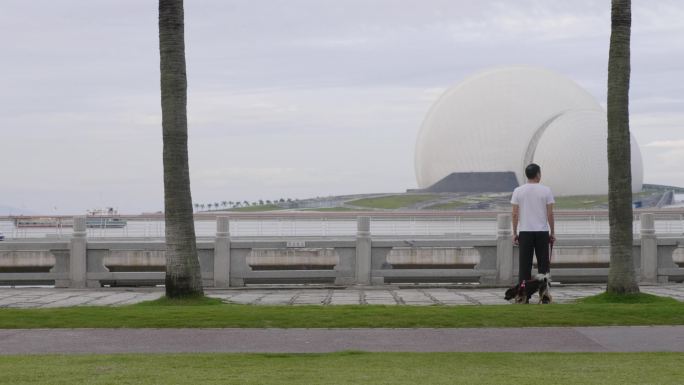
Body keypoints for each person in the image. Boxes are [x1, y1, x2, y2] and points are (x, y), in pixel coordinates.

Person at [511, 163, 555, 302]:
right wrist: (552, 232)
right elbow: (550, 214)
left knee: (525, 266)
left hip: (525, 232)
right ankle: (544, 294)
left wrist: (514, 232)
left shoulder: (518, 191)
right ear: (538, 174)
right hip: (541, 232)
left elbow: (514, 214)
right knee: (543, 265)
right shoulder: (546, 191)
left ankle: (523, 295)